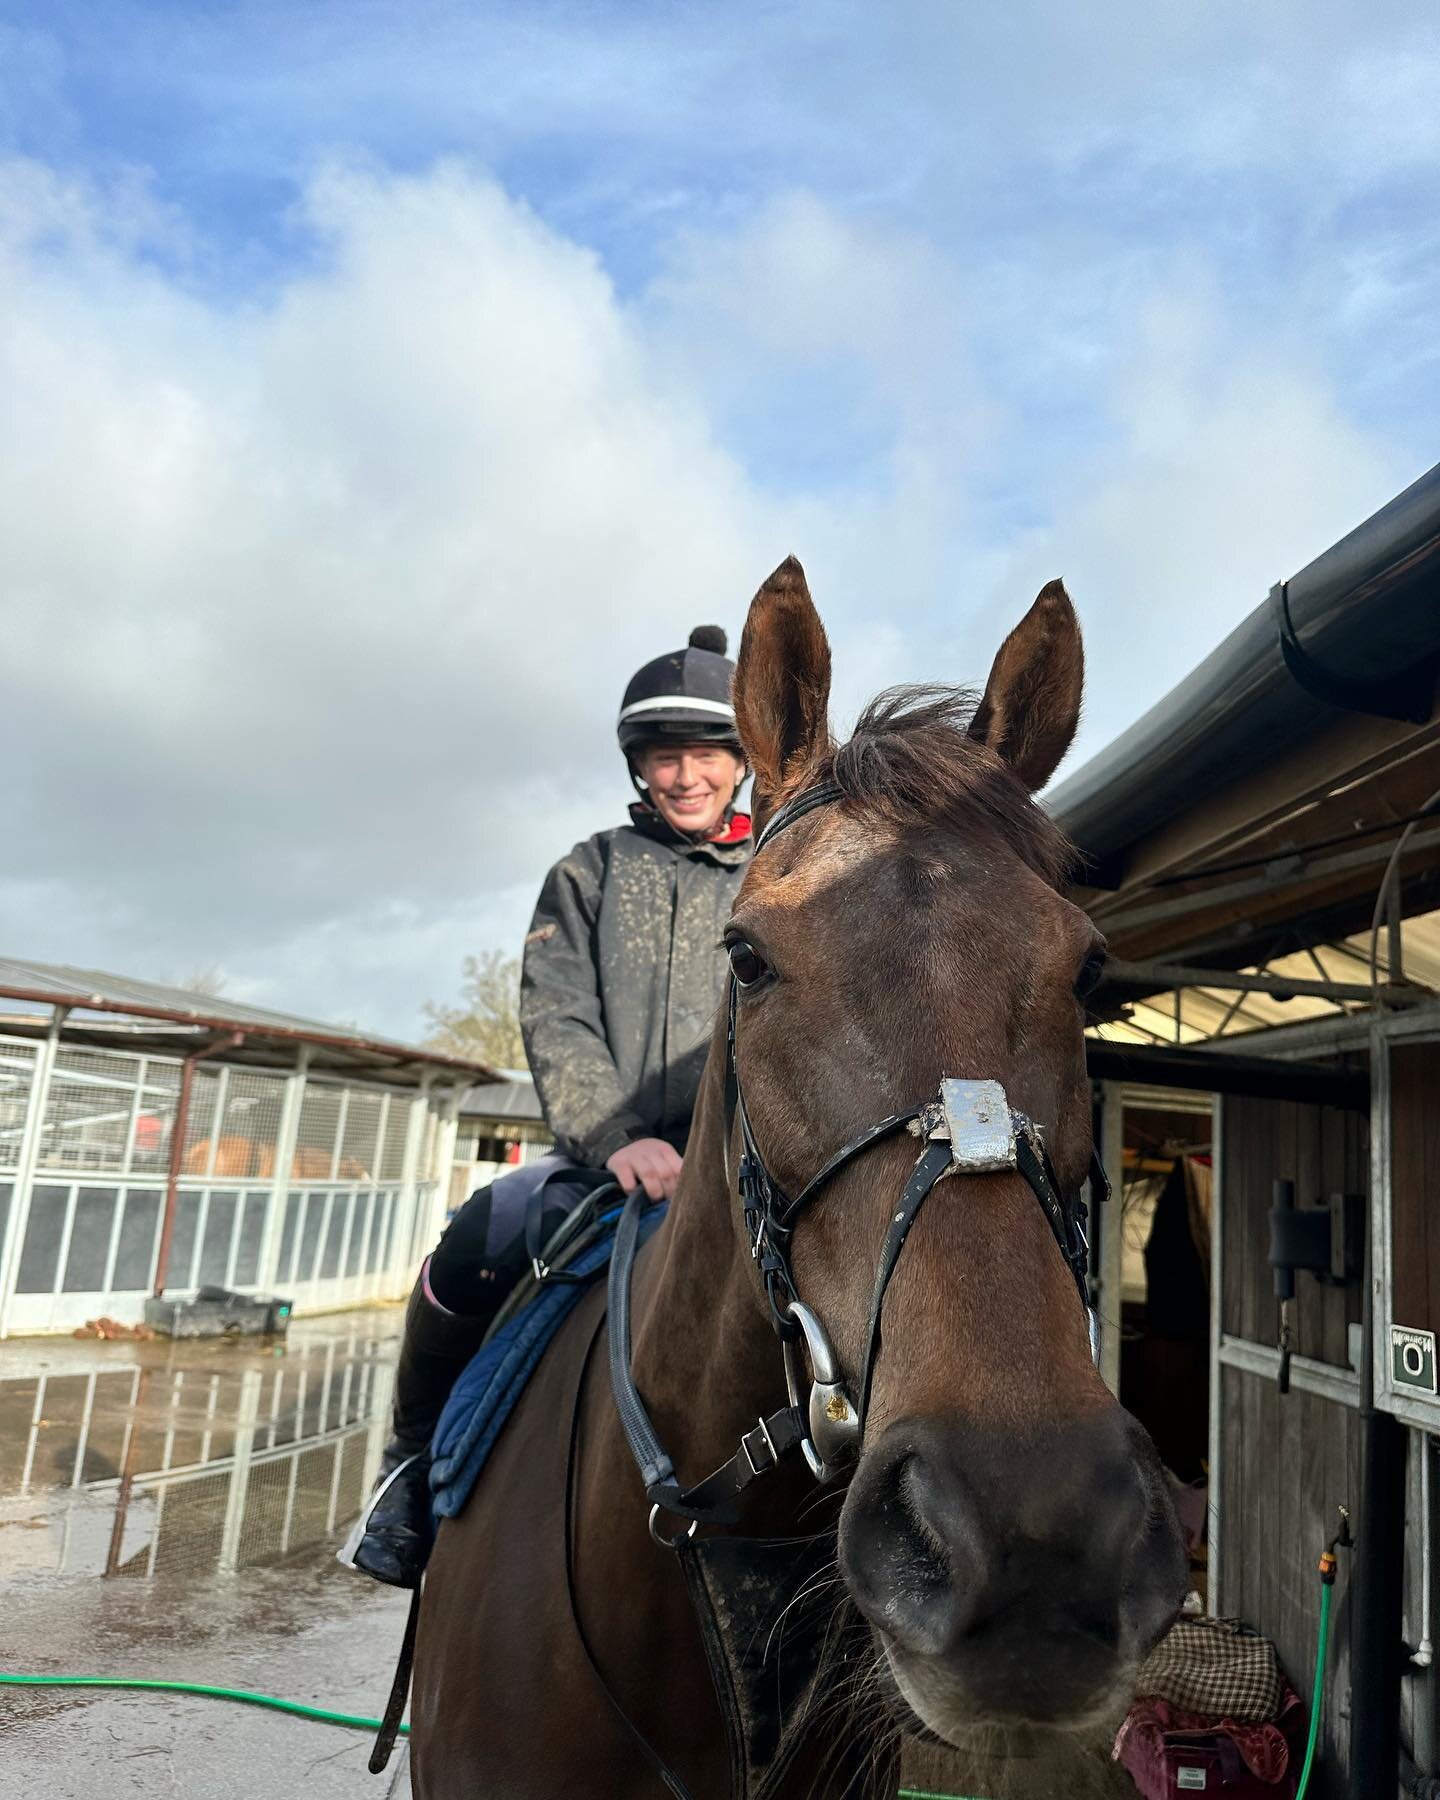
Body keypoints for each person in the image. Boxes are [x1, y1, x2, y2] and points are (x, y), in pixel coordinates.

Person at [342, 626, 751, 1587]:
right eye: (664, 756)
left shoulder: (779, 874)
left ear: (741, 764)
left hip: (743, 1160)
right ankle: (407, 1475)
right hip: (609, 1161)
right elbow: (556, 1013)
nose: (685, 775)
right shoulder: (590, 871)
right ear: (639, 766)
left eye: (706, 754)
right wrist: (618, 1140)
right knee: (480, 1231)